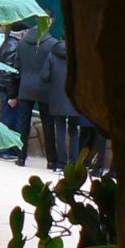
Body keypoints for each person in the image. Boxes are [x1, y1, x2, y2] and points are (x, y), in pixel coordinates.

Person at [10, 24, 57, 169]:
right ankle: (51, 160)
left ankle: (20, 157)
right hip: (45, 87)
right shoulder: (53, 44)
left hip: (25, 87)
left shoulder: (22, 43)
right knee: (48, 124)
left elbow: (15, 67)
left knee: (23, 123)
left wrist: (13, 93)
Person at [40, 35, 82, 172]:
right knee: (74, 131)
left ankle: (61, 164)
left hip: (57, 97)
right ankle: (74, 162)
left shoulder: (53, 54)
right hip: (75, 98)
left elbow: (44, 76)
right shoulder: (80, 55)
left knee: (60, 129)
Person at [0, 25, 24, 160]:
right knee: (6, 120)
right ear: (22, 33)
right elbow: (7, 72)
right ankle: (1, 149)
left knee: (9, 119)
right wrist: (12, 95)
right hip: (8, 91)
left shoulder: (8, 43)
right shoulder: (13, 46)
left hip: (5, 89)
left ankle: (8, 148)